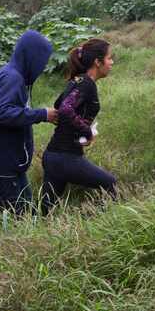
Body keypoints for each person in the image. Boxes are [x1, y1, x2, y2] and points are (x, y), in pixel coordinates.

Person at [0, 30, 57, 215]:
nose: (42, 67)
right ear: (31, 57)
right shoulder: (13, 78)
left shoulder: (11, 73)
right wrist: (42, 114)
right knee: (13, 216)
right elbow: (1, 113)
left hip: (5, 161)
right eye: (41, 60)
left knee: (24, 209)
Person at [41, 38, 116, 213]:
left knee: (44, 211)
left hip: (53, 156)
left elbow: (60, 105)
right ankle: (95, 225)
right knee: (111, 184)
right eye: (109, 58)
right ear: (97, 62)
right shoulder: (86, 83)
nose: (112, 62)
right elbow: (66, 110)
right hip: (65, 157)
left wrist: (78, 132)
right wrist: (87, 132)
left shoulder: (77, 81)